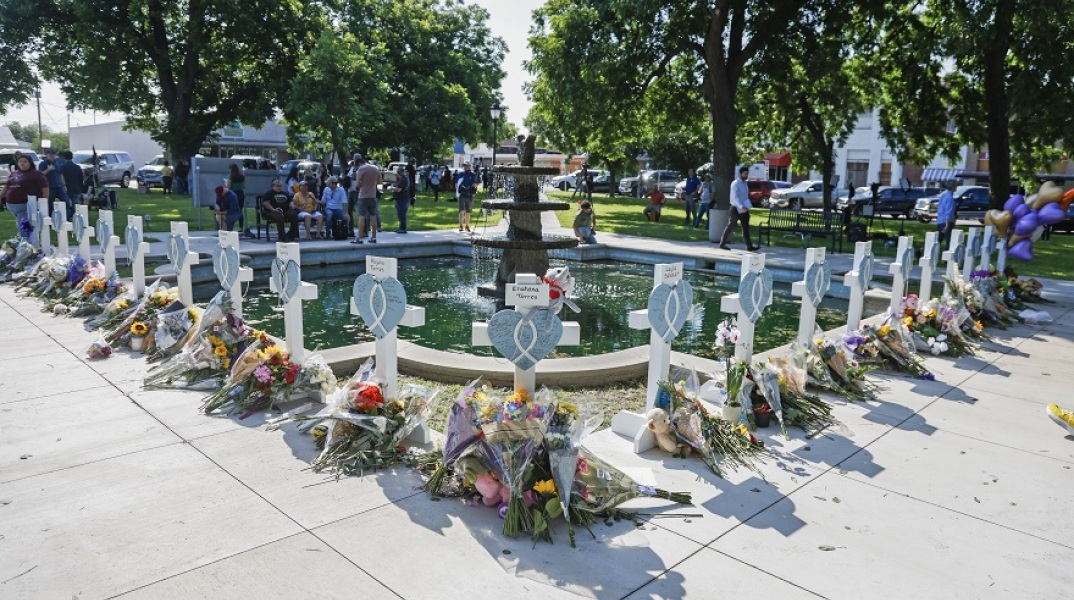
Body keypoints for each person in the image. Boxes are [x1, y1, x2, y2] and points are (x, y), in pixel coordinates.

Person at [3, 155, 48, 238]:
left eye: (25, 161)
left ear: (30, 163)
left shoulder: (36, 174)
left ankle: (26, 242)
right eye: (20, 161)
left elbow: (45, 189)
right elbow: (9, 186)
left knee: (23, 227)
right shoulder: (15, 173)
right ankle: (24, 239)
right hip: (11, 205)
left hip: (24, 205)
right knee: (21, 223)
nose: (22, 163)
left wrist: (43, 202)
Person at [720, 166, 760, 251]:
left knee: (745, 227)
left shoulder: (745, 184)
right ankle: (722, 243)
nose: (746, 175)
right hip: (736, 208)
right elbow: (735, 197)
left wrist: (747, 205)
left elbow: (744, 196)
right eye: (745, 174)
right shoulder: (735, 183)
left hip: (745, 208)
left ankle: (749, 246)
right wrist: (741, 207)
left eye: (747, 174)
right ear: (740, 174)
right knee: (730, 226)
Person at [351, 154, 381, 244]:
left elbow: (358, 184)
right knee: (373, 216)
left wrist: (361, 184)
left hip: (363, 196)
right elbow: (380, 181)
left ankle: (359, 238)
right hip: (373, 196)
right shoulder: (375, 168)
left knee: (362, 216)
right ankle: (374, 237)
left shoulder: (361, 169)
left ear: (359, 163)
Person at [38, 149, 71, 217]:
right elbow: (40, 175)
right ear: (47, 155)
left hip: (59, 186)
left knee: (66, 201)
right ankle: (50, 218)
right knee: (50, 204)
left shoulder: (57, 163)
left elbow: (60, 174)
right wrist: (48, 169)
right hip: (49, 187)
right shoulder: (43, 164)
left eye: (53, 154)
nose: (52, 156)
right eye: (50, 154)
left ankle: (67, 217)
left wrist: (64, 185)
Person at [456, 161, 477, 232]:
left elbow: (476, 183)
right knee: (462, 211)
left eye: (467, 165)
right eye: (464, 165)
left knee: (468, 212)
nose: (465, 167)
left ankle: (467, 226)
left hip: (470, 195)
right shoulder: (461, 174)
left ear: (470, 166)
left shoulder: (473, 174)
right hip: (462, 194)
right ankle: (461, 226)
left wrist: (473, 187)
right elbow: (457, 184)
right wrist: (458, 193)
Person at [227, 163, 248, 235]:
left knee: (232, 210)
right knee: (240, 210)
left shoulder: (231, 176)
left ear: (231, 169)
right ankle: (241, 227)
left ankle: (230, 226)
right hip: (241, 193)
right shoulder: (242, 176)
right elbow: (244, 185)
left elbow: (228, 187)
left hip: (234, 194)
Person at [936, 180, 957, 247]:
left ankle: (923, 250)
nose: (956, 187)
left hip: (940, 221)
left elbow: (940, 208)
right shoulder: (950, 198)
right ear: (952, 187)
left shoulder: (943, 196)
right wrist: (947, 225)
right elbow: (948, 212)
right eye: (955, 186)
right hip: (947, 222)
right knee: (949, 242)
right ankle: (946, 253)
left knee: (938, 240)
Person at [391, 166, 411, 233]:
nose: (396, 174)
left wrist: (392, 188)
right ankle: (401, 228)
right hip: (402, 199)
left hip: (402, 200)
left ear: (399, 173)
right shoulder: (402, 179)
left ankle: (402, 229)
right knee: (400, 215)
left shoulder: (403, 180)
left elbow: (399, 189)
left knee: (401, 215)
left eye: (397, 173)